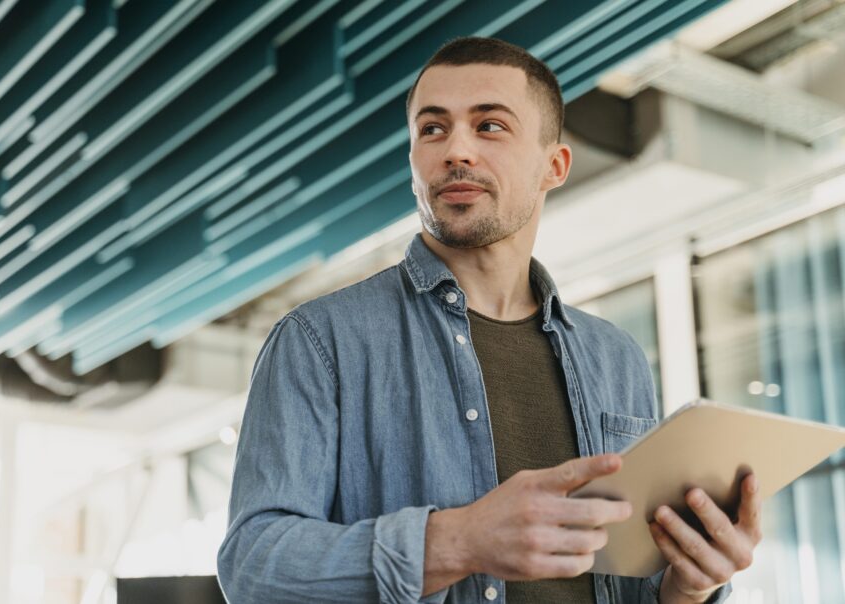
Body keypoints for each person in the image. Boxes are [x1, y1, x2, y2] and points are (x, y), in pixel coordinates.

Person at [217, 37, 762, 603]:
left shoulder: (615, 356)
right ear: (412, 161)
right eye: (432, 129)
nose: (456, 150)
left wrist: (692, 584)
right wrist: (457, 541)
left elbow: (635, 588)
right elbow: (254, 566)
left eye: (490, 126)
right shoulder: (318, 340)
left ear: (554, 166)